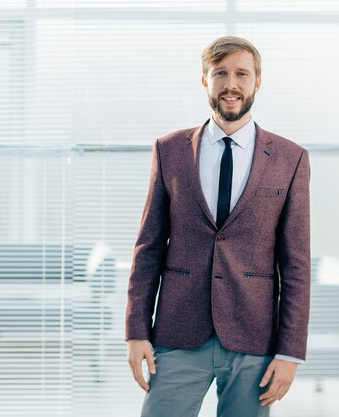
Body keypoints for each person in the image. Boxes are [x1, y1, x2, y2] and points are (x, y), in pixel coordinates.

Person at [125, 36, 311, 417]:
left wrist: (290, 351)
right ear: (205, 80)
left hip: (254, 337)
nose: (231, 84)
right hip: (178, 331)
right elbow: (149, 247)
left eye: (242, 74)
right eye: (220, 73)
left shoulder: (290, 159)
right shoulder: (170, 150)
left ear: (257, 81)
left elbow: (296, 265)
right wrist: (137, 330)